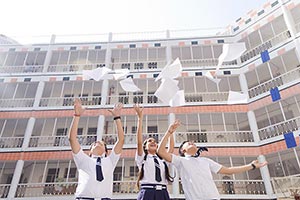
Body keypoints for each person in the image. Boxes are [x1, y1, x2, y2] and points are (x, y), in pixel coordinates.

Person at [157, 120, 268, 200]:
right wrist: (169, 132)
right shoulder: (180, 161)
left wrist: (251, 166)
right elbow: (161, 151)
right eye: (188, 143)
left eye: (194, 143)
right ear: (182, 150)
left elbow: (228, 170)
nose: (192, 143)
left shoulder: (205, 161)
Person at [68, 98, 125, 200]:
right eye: (93, 144)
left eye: (101, 143)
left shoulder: (110, 160)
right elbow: (72, 139)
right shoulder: (83, 159)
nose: (97, 143)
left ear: (106, 151)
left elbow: (121, 140)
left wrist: (117, 117)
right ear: (89, 152)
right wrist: (76, 116)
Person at [134, 104, 174, 200]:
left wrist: (171, 133)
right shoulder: (143, 157)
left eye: (155, 142)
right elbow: (139, 141)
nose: (153, 142)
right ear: (145, 147)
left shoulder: (162, 159)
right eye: (149, 141)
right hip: (147, 191)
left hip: (163, 192)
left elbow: (171, 148)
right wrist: (140, 118)